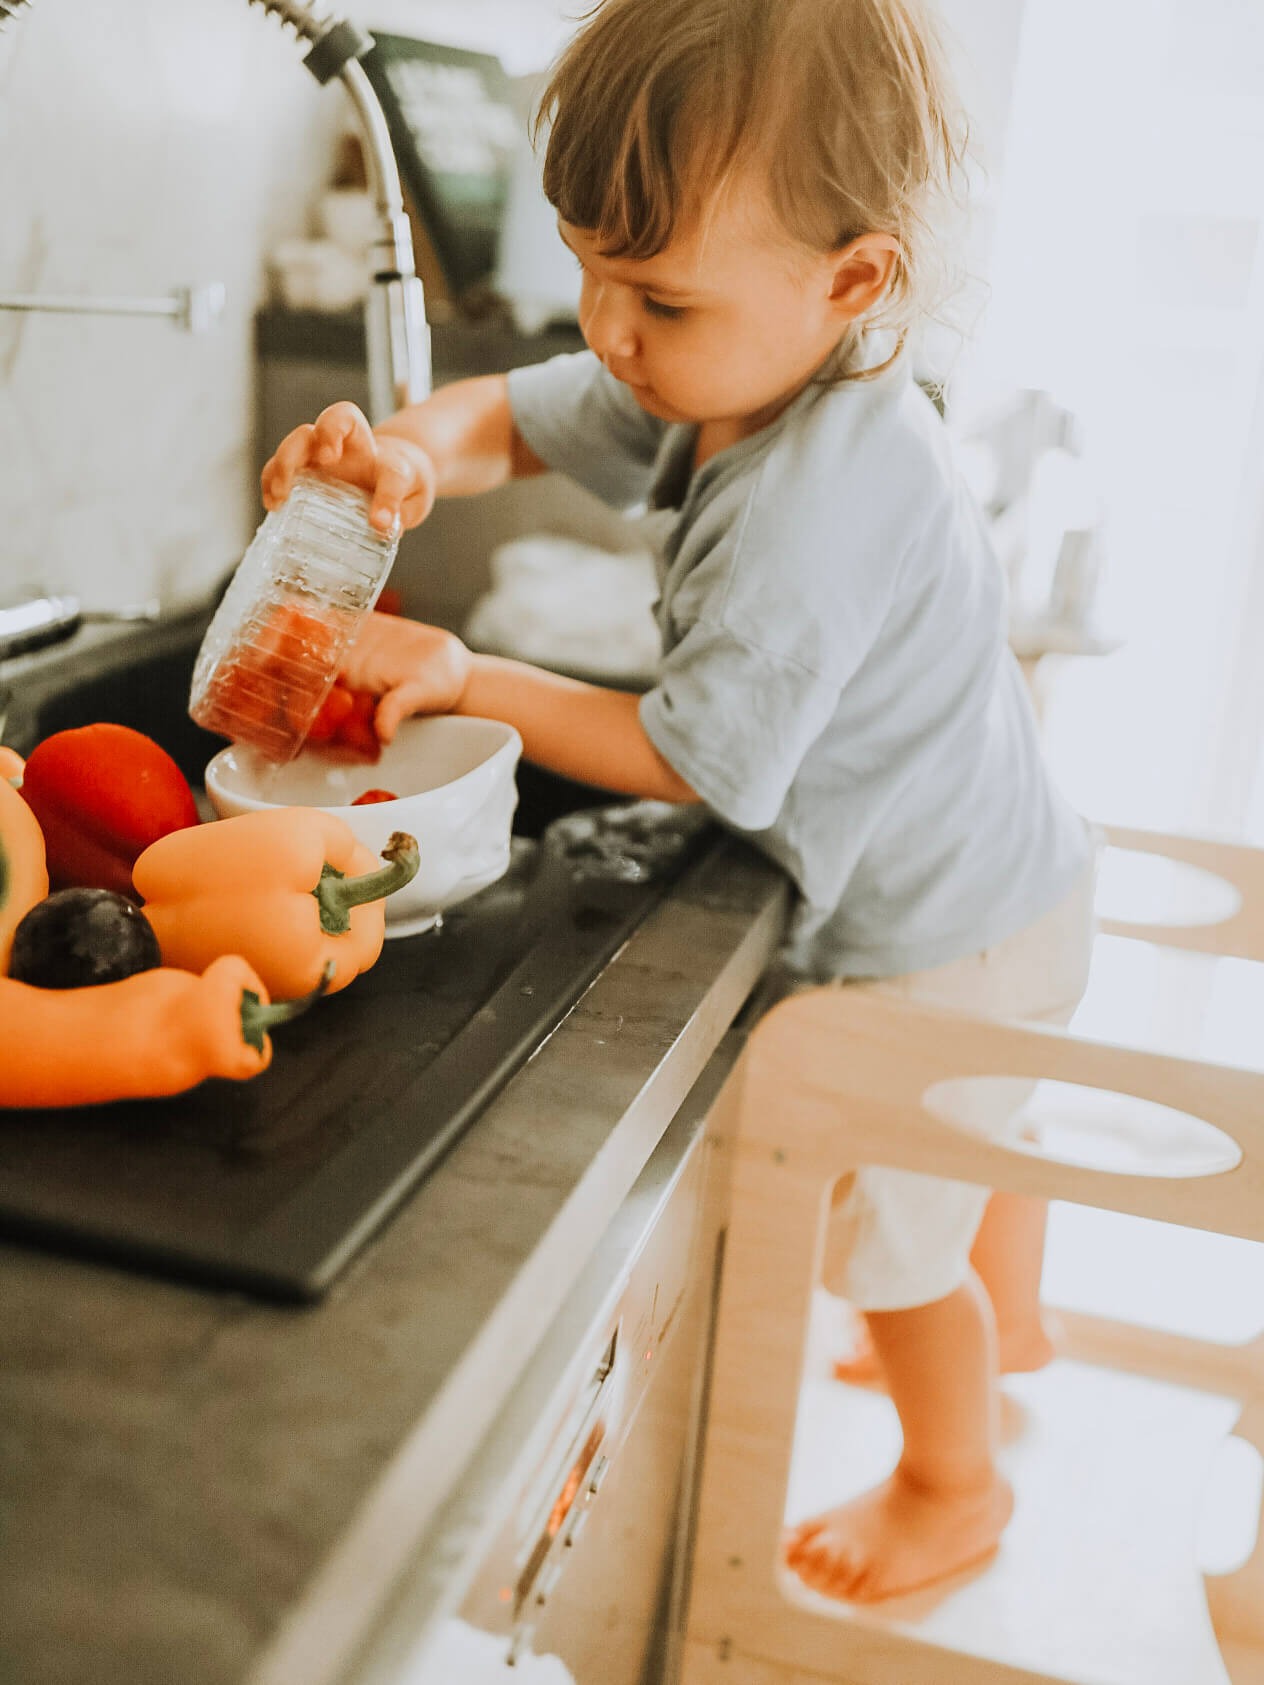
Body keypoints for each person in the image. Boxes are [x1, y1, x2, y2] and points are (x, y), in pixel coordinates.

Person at [261, 0, 1095, 1603]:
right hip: (1016, 889)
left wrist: (472, 675)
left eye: (650, 291)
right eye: (589, 263)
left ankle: (953, 1473)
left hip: (949, 942)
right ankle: (1024, 1312)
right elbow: (511, 414)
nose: (607, 322)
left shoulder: (816, 498)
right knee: (981, 1125)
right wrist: (406, 458)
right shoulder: (741, 362)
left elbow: (706, 761)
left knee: (887, 1241)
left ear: (856, 281)